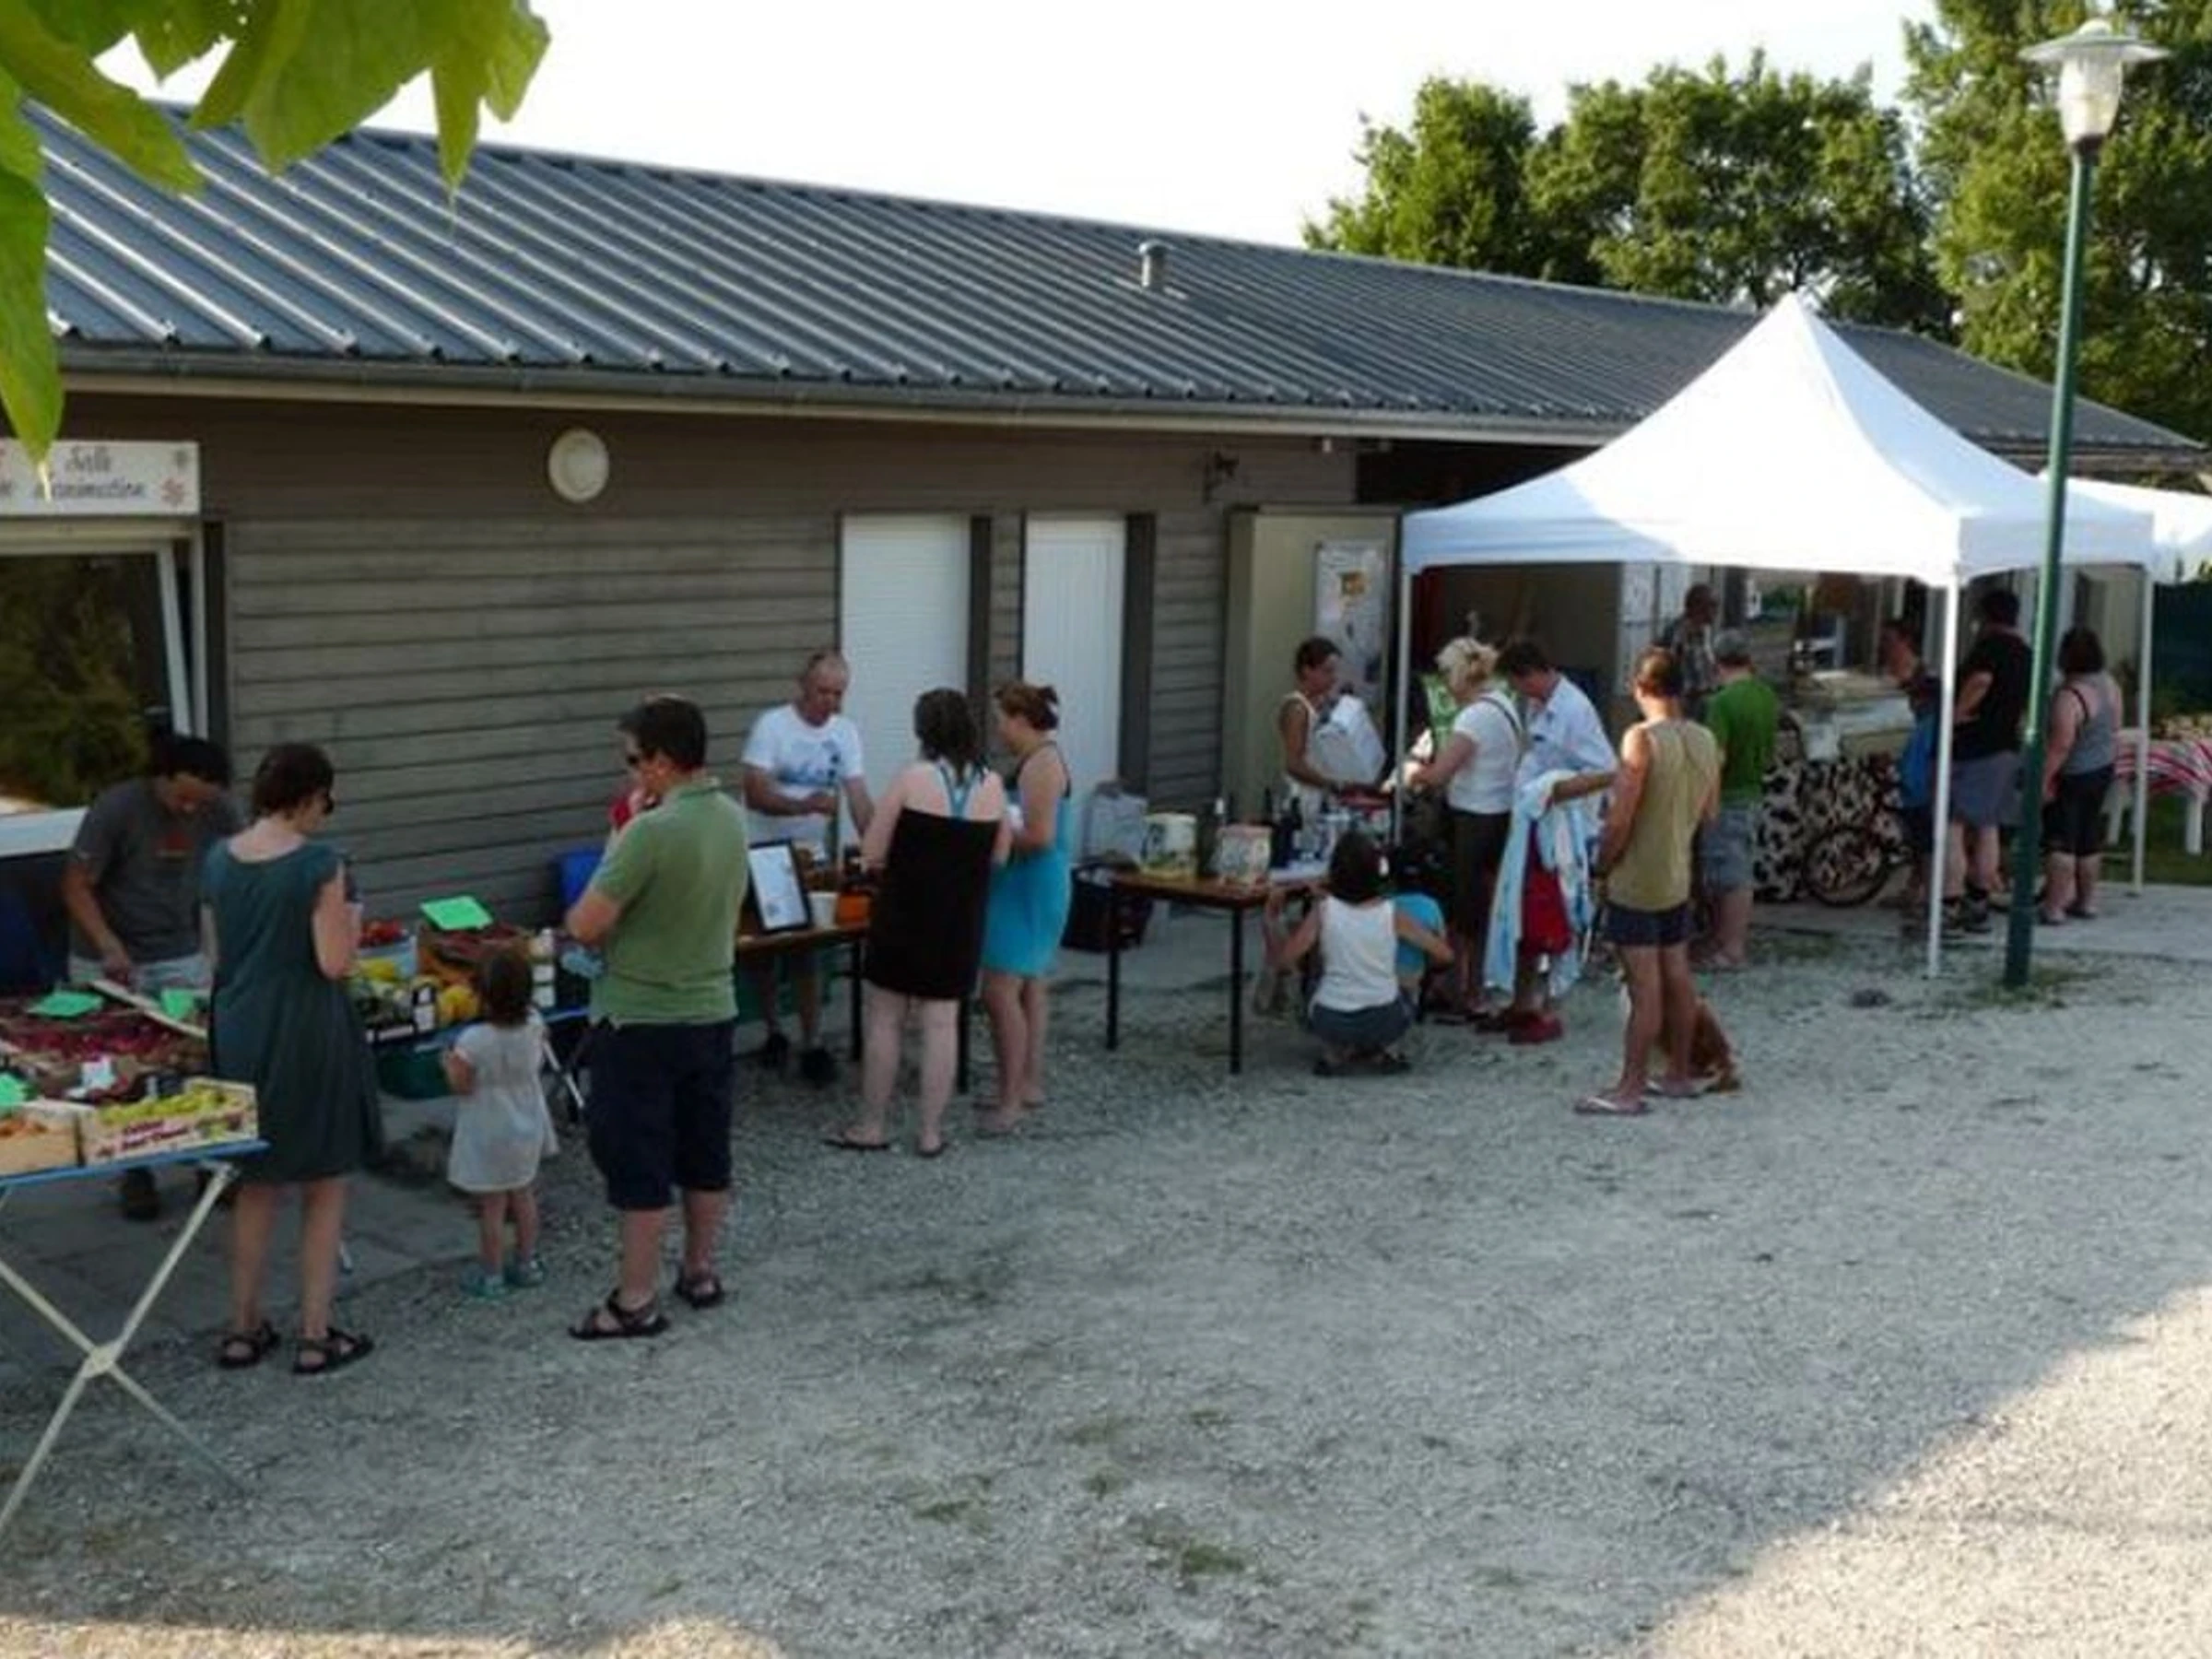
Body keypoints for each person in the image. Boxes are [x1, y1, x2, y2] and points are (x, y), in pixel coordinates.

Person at [565, 695, 749, 1340]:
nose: (630, 772)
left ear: (663, 763)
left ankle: (635, 1298)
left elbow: (586, 922)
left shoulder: (649, 832)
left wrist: (621, 834)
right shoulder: (732, 818)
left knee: (638, 1156)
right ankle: (699, 1270)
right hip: (712, 1006)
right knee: (705, 1147)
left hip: (640, 1016)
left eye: (633, 760)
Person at [202, 743, 381, 1375]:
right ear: (311, 797)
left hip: (239, 1022)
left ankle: (242, 1326)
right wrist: (352, 916)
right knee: (325, 1181)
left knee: (257, 1180)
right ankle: (314, 1332)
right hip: (305, 1025)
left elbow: (216, 956)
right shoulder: (319, 865)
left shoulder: (219, 857)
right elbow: (334, 962)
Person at [63, 733, 242, 1218]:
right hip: (108, 953)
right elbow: (75, 885)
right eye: (182, 798)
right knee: (121, 1068)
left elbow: (241, 866)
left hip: (178, 948)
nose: (190, 810)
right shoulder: (116, 809)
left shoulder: (220, 809)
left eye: (200, 802)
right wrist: (107, 943)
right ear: (159, 778)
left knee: (199, 1054)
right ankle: (135, 1173)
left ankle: (209, 1160)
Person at [828, 689, 1007, 1157]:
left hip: (905, 913)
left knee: (885, 1019)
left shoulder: (912, 777)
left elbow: (872, 850)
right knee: (942, 1024)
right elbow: (1001, 854)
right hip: (960, 919)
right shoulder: (992, 783)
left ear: (923, 730)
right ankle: (930, 1133)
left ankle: (872, 1124)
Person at [1579, 649, 1721, 1117]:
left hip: (1639, 876)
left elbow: (1621, 818)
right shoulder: (1704, 739)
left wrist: (1602, 863)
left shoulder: (1640, 739)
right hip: (1678, 873)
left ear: (1640, 688)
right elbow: (1710, 812)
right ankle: (1678, 1073)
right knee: (1678, 977)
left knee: (1644, 988)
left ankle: (1630, 1087)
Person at [741, 649, 874, 1085]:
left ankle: (812, 1040)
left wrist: (875, 845)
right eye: (822, 692)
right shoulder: (772, 726)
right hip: (764, 849)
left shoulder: (845, 732)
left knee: (809, 949)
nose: (829, 702)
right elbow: (756, 792)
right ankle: (774, 1031)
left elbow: (858, 795)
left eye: (838, 694)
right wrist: (806, 805)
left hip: (810, 853)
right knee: (765, 949)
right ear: (804, 686)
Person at [1493, 640, 1617, 1044]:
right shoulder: (1536, 705)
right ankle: (1522, 1002)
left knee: (1559, 914)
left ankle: (1551, 1007)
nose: (1519, 692)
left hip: (1566, 830)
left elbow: (1606, 771)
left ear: (1532, 674)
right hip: (1534, 823)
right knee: (1528, 912)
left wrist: (1553, 789)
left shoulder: (1575, 711)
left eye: (1519, 683)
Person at [1262, 830, 1451, 1077]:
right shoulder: (1391, 913)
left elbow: (1284, 961)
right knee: (1402, 990)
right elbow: (1445, 955)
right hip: (1385, 1018)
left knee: (1315, 982)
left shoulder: (1323, 912)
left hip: (1331, 1018)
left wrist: (1272, 920)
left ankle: (1335, 1051)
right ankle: (1386, 1050)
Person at [1404, 638, 1519, 1021]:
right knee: (1483, 905)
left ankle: (1460, 989)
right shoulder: (1503, 704)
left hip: (1472, 816)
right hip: (1499, 813)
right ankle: (1476, 986)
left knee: (1462, 907)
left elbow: (1440, 773)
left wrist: (1412, 772)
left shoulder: (1472, 718)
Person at [977, 683, 1074, 1136]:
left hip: (1029, 886)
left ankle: (1010, 1099)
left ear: (1020, 719)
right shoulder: (1037, 760)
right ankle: (1026, 1083)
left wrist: (987, 832)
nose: (998, 729)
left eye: (1001, 719)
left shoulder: (1041, 764)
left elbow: (1039, 836)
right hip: (1028, 885)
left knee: (999, 990)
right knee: (1031, 984)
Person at [441, 947, 557, 1300]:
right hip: (527, 1122)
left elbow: (462, 1085)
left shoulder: (473, 1041)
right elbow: (542, 1046)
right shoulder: (534, 1025)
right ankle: (527, 1263)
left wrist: (447, 1064)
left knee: (492, 1207)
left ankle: (491, 1274)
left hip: (488, 1128)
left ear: (482, 994)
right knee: (524, 1195)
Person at [1946, 588, 2031, 933]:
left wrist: (1956, 713)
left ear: (1985, 617)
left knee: (1953, 824)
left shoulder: (1990, 648)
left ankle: (1949, 901)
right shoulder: (2026, 653)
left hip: (1974, 744)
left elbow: (1981, 680)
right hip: (2005, 744)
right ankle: (1979, 900)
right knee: (1988, 824)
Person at [1696, 630, 1780, 969]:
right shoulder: (1765, 695)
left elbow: (1715, 758)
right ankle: (1723, 941)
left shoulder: (1722, 703)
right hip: (1753, 789)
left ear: (1716, 661)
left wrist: (1706, 803)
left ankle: (1731, 948)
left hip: (1727, 795)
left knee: (1730, 877)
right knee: (1734, 869)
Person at [2039, 626, 2122, 925]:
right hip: (2102, 768)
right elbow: (2115, 727)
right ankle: (2086, 901)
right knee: (2089, 836)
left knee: (2062, 839)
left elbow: (2061, 744)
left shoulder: (2069, 695)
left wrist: (2043, 778)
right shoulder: (2110, 685)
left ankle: (2054, 906)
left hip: (2073, 772)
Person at [1278, 635, 1344, 818]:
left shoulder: (1324, 705)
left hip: (1322, 797)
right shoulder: (1297, 708)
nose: (1333, 678)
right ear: (1307, 671)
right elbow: (1293, 763)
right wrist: (1331, 783)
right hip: (1302, 797)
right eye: (1327, 672)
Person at [1659, 583, 1720, 719]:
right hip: (1683, 703)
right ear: (1697, 607)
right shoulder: (1678, 633)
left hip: (1703, 701)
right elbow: (1665, 668)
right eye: (1713, 605)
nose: (1716, 611)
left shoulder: (1705, 632)